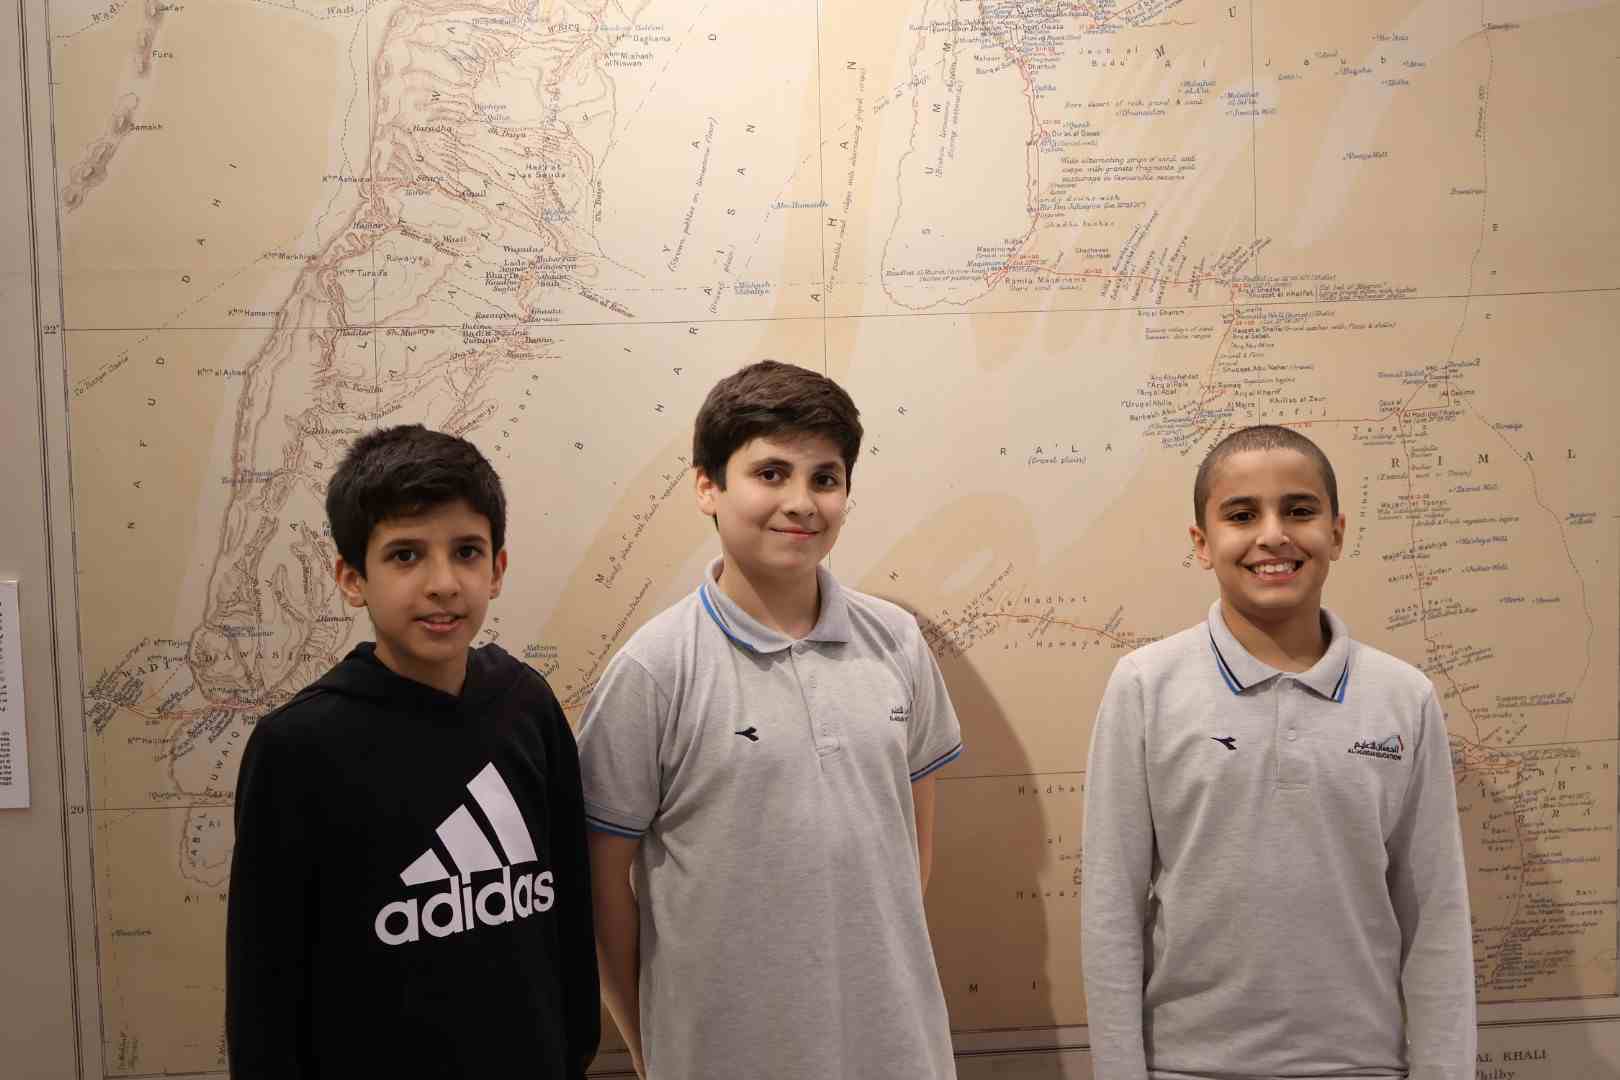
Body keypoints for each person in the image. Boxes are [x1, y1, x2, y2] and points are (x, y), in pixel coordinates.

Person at [578, 360, 963, 1079]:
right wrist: (651, 1048)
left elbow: (909, 847)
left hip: (897, 1048)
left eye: (825, 478)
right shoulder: (654, 670)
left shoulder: (897, 642)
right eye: (771, 473)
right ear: (707, 486)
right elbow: (602, 894)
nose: (802, 502)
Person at [1081, 424, 1475, 1080]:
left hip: (1362, 1067)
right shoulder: (1145, 687)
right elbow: (1110, 912)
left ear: (1337, 533)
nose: (1273, 535)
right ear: (1202, 543)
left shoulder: (1403, 697)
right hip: (1187, 1066)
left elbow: (1435, 916)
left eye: (1299, 510)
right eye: (1242, 515)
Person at [226, 424, 598, 1078]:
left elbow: (568, 906)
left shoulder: (527, 705)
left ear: (497, 569)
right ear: (352, 578)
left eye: (466, 552)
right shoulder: (298, 747)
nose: (443, 583)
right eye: (405, 555)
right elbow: (266, 984)